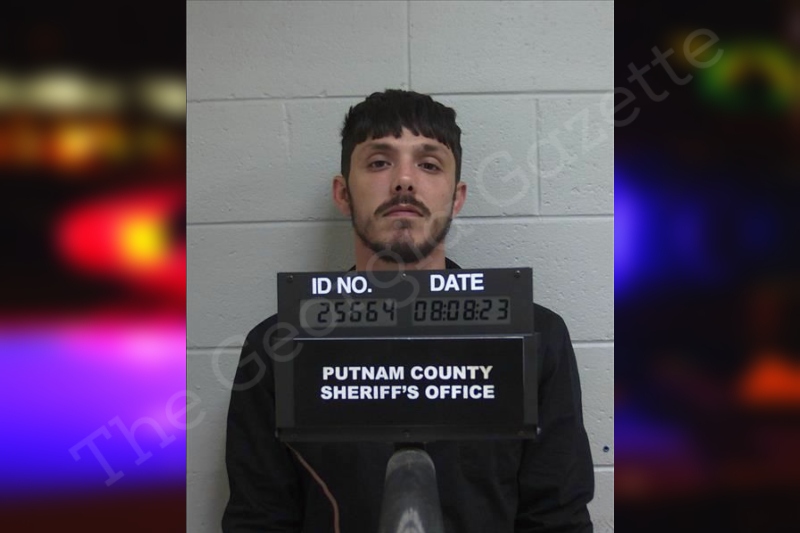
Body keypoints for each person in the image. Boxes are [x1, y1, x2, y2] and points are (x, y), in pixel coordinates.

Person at [222, 89, 595, 532]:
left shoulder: (535, 335)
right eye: (379, 162)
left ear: (457, 198)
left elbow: (558, 518)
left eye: (429, 164)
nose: (404, 180)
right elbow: (259, 521)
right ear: (343, 194)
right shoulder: (277, 347)